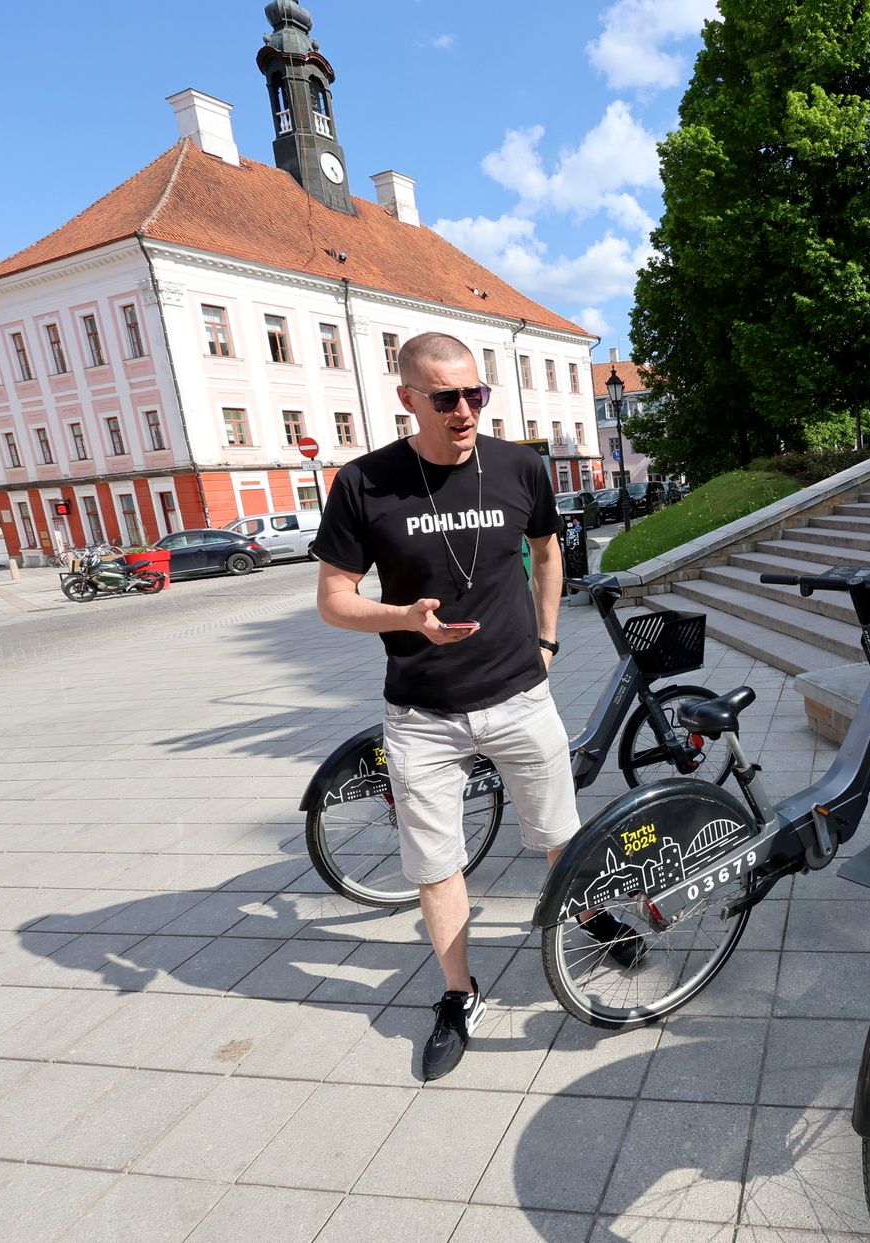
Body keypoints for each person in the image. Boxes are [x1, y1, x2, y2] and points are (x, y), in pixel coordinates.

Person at [310, 331, 642, 1082]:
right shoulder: (365, 483)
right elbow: (333, 599)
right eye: (446, 398)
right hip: (422, 712)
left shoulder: (521, 464)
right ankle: (459, 994)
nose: (465, 411)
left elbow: (550, 550)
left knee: (563, 832)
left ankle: (588, 914)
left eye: (476, 394)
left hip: (520, 694)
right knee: (435, 861)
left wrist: (549, 639)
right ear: (408, 399)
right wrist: (403, 619)